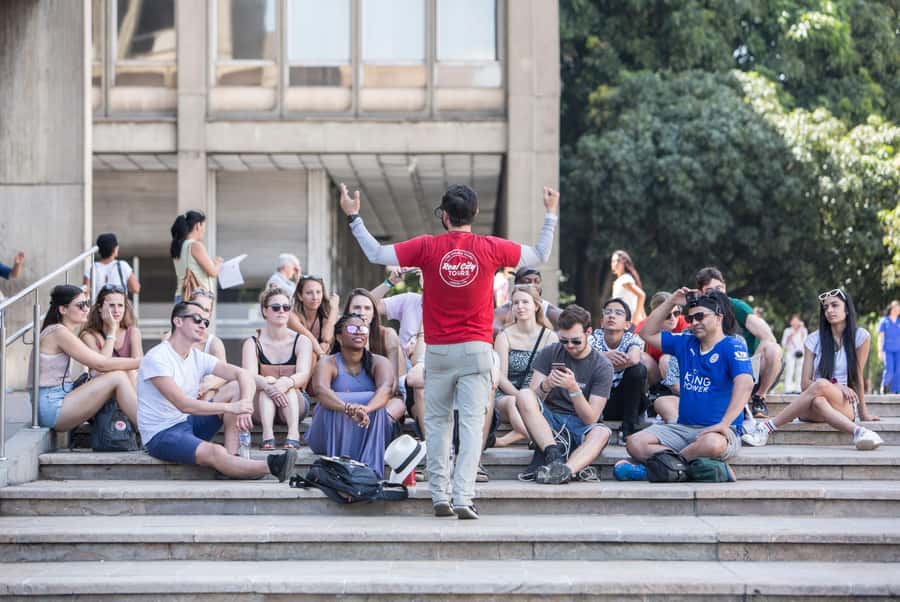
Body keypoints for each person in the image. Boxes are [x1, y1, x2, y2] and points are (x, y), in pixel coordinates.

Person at [340, 181, 558, 519]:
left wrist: (354, 217)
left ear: (444, 216)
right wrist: (550, 213)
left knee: (438, 424)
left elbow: (376, 254)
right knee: (471, 426)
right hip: (476, 350)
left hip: (438, 351)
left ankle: (439, 494)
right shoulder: (490, 247)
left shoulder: (427, 247)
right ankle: (463, 497)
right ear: (475, 213)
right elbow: (540, 254)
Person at [138, 300, 297, 480]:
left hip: (188, 422)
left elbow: (242, 374)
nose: (202, 325)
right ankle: (272, 466)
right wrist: (231, 407)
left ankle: (233, 457)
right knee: (214, 451)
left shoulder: (197, 356)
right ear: (178, 321)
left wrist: (245, 405)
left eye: (205, 322)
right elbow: (183, 404)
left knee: (235, 387)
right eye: (197, 319)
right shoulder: (157, 357)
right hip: (161, 434)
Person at [618, 289, 754, 480]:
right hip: (683, 428)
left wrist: (724, 424)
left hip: (719, 431)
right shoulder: (685, 341)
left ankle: (656, 470)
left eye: (700, 316)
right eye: (690, 318)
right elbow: (645, 333)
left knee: (713, 445)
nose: (694, 323)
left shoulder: (733, 345)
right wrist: (671, 301)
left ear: (719, 317)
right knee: (635, 443)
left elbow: (745, 384)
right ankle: (693, 467)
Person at [742, 289, 883, 450]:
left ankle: (766, 427)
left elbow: (857, 376)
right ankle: (859, 432)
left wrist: (863, 413)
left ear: (847, 309)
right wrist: (836, 385)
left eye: (835, 305)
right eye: (826, 307)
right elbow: (805, 384)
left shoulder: (860, 336)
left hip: (843, 402)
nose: (829, 310)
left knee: (820, 387)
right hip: (812, 402)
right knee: (819, 398)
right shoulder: (813, 339)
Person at [515, 304, 613, 484]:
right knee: (523, 395)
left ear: (588, 332)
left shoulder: (602, 366)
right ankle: (553, 455)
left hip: (580, 425)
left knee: (602, 432)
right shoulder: (550, 352)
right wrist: (546, 385)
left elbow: (591, 418)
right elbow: (532, 399)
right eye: (564, 341)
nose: (569, 346)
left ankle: (564, 471)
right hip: (550, 422)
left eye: (576, 341)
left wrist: (574, 389)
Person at [305, 314, 406, 478]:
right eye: (352, 328)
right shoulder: (328, 363)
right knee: (331, 402)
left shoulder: (379, 362)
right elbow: (321, 391)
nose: (359, 332)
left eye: (363, 329)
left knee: (376, 403)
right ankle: (339, 469)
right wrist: (347, 408)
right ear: (339, 337)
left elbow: (386, 389)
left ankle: (369, 472)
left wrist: (366, 409)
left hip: (369, 431)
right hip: (326, 434)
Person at [32, 285, 139, 432]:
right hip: (53, 408)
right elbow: (101, 364)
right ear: (63, 309)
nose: (86, 309)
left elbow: (101, 364)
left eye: (87, 303)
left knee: (122, 375)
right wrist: (142, 361)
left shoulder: (59, 331)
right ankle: (150, 429)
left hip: (59, 399)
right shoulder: (58, 333)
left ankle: (144, 427)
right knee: (118, 377)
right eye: (80, 305)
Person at [695, 267, 782, 418]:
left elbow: (768, 337)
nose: (716, 293)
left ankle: (759, 398)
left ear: (725, 287)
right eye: (710, 290)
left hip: (749, 371)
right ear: (701, 292)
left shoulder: (737, 307)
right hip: (717, 373)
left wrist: (748, 368)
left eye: (719, 288)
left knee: (773, 349)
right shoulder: (697, 312)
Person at [241, 287, 313, 450]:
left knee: (286, 385)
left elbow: (303, 374)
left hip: (295, 402)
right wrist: (269, 386)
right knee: (268, 382)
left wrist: (286, 383)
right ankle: (267, 435)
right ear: (265, 311)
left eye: (286, 307)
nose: (281, 311)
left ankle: (293, 433)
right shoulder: (252, 343)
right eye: (275, 307)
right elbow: (249, 376)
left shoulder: (302, 341)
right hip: (262, 405)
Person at [493, 285, 559, 447]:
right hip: (507, 395)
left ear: (536, 306)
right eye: (515, 303)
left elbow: (553, 374)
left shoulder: (550, 337)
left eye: (525, 302)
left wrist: (530, 399)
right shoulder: (504, 336)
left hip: (539, 396)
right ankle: (537, 438)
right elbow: (501, 376)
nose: (520, 306)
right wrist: (520, 397)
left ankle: (508, 439)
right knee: (511, 402)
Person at [589, 297, 648, 442]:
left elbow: (633, 359)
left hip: (628, 402)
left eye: (618, 313)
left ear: (627, 324)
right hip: (601, 400)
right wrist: (605, 356)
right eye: (608, 312)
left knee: (638, 370)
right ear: (602, 322)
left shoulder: (633, 338)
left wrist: (600, 361)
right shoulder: (593, 338)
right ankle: (594, 426)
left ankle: (629, 428)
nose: (612, 316)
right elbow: (584, 360)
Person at [80, 284, 143, 385]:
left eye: (120, 305)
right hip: (101, 387)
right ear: (100, 308)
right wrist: (112, 330)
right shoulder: (89, 335)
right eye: (111, 305)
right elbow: (100, 369)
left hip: (129, 385)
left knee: (132, 373)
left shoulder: (133, 332)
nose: (116, 311)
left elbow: (139, 367)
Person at [635, 291, 688, 385]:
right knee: (640, 356)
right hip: (655, 372)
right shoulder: (645, 326)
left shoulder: (683, 322)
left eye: (676, 313)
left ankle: (677, 389)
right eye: (667, 315)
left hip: (681, 372)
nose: (673, 318)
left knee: (666, 359)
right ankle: (655, 389)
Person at [493, 267, 562, 335]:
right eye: (527, 281)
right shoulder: (503, 310)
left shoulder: (550, 310)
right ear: (517, 285)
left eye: (537, 281)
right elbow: (493, 327)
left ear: (537, 307)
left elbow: (566, 328)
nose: (532, 285)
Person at [170, 210, 221, 303]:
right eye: (203, 227)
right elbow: (213, 272)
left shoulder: (179, 247)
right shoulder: (195, 245)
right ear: (198, 225)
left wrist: (212, 263)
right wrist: (218, 263)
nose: (204, 231)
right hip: (195, 298)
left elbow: (192, 266)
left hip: (181, 296)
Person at [288, 275, 339, 357]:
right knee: (314, 352)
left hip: (316, 359)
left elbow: (327, 338)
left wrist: (334, 309)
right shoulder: (292, 316)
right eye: (309, 293)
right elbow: (309, 338)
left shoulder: (325, 313)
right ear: (300, 296)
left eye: (318, 292)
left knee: (324, 345)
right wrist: (322, 355)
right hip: (294, 359)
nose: (315, 297)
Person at [84, 233, 140, 299]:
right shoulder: (122, 265)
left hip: (99, 304)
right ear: (114, 249)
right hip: (118, 304)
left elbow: (85, 294)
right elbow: (136, 288)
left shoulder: (92, 268)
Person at [610, 250, 646, 322]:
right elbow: (639, 302)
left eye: (618, 261)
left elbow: (641, 295)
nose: (615, 263)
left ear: (624, 262)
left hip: (630, 322)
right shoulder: (620, 280)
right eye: (613, 261)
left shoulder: (624, 279)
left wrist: (635, 317)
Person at [781, 314, 808, 394]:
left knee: (800, 371)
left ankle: (798, 388)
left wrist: (801, 329)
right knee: (790, 370)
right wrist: (791, 335)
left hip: (800, 352)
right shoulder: (787, 330)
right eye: (793, 320)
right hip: (790, 352)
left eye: (796, 320)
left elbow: (805, 341)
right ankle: (787, 388)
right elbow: (784, 343)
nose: (795, 322)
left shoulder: (803, 330)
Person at [879, 300, 900, 394]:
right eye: (895, 308)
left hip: (898, 350)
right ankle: (884, 386)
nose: (897, 310)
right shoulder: (884, 321)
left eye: (898, 309)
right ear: (891, 309)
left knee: (898, 371)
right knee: (889, 369)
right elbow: (881, 336)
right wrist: (880, 351)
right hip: (888, 350)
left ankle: (895, 391)